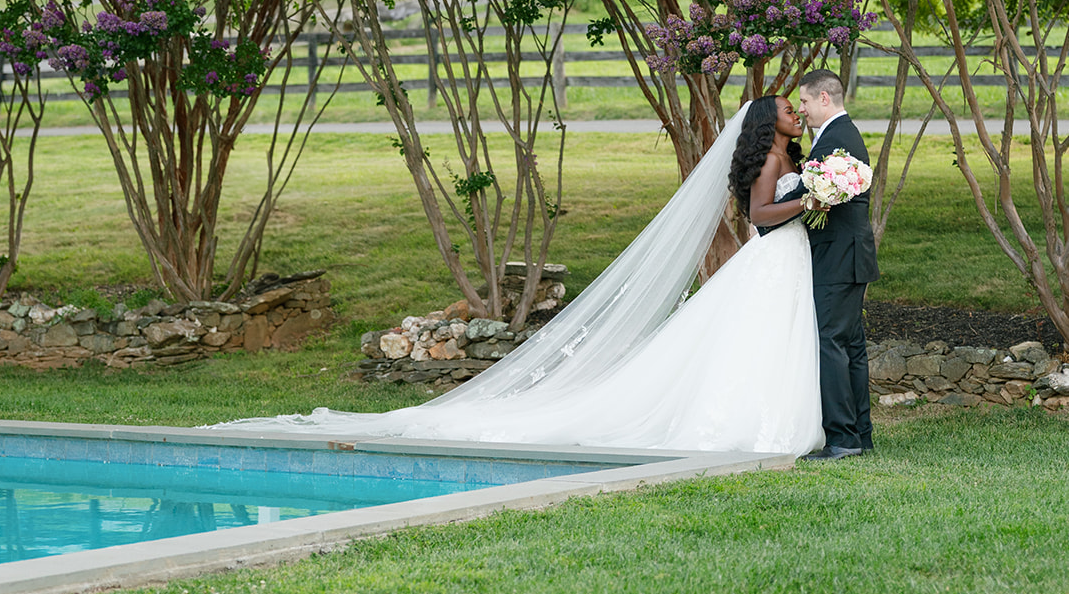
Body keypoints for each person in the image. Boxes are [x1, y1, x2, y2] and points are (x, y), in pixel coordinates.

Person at [222, 97, 825, 457]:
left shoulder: (785, 154)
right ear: (766, 127)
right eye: (787, 111)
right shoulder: (772, 158)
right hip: (772, 256)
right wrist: (813, 202)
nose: (795, 115)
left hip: (778, 263)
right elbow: (758, 215)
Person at [795, 67, 879, 460]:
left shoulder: (838, 140)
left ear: (824, 98)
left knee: (831, 343)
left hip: (838, 257)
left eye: (805, 101)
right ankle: (859, 434)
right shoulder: (838, 136)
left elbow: (815, 195)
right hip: (847, 254)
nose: (802, 109)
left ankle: (842, 438)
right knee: (851, 346)